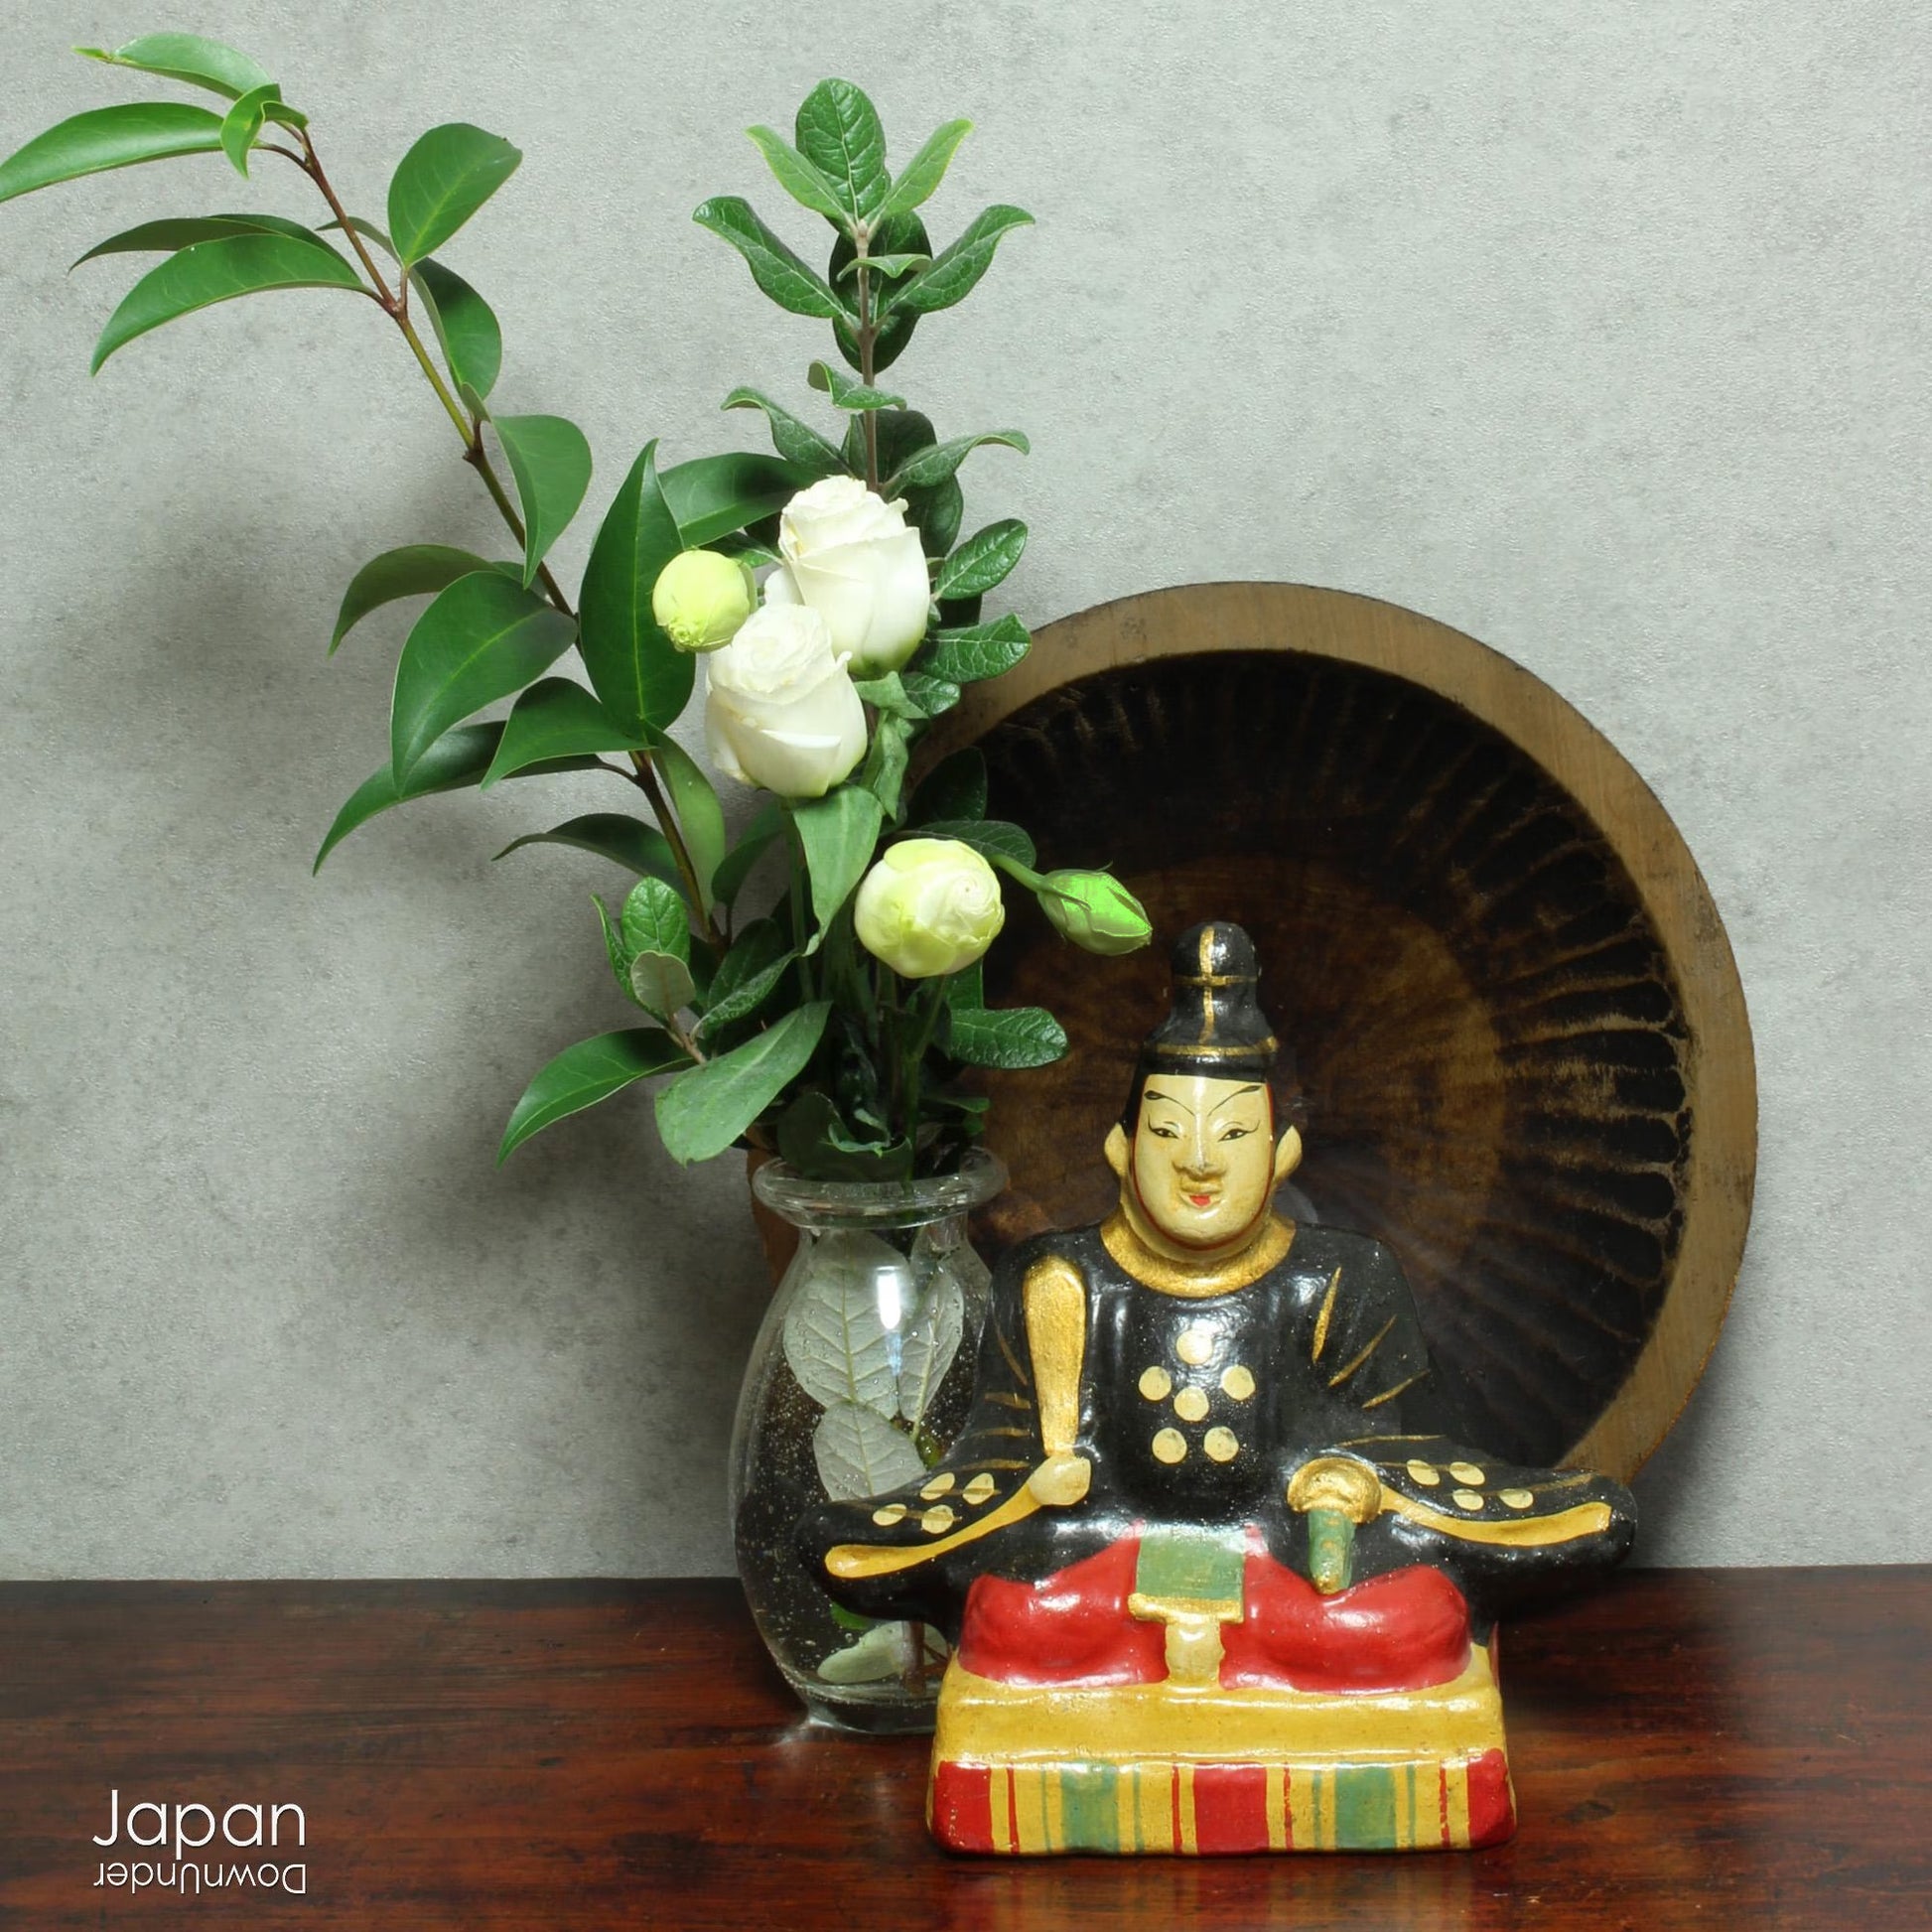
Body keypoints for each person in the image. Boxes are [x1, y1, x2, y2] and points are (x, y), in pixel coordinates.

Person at [797, 922, 1636, 1854]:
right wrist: (1034, 1485)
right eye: (1168, 1131)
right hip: (1110, 1556)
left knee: (1413, 1621)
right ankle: (1189, 1664)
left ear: (1280, 1154)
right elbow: (995, 1455)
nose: (1200, 1162)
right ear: (1121, 1149)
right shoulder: (1060, 1282)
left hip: (1284, 1561)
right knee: (1010, 1618)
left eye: (1234, 1132)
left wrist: (1351, 1481)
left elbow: (1410, 1445)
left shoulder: (1339, 1281)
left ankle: (1211, 1663)